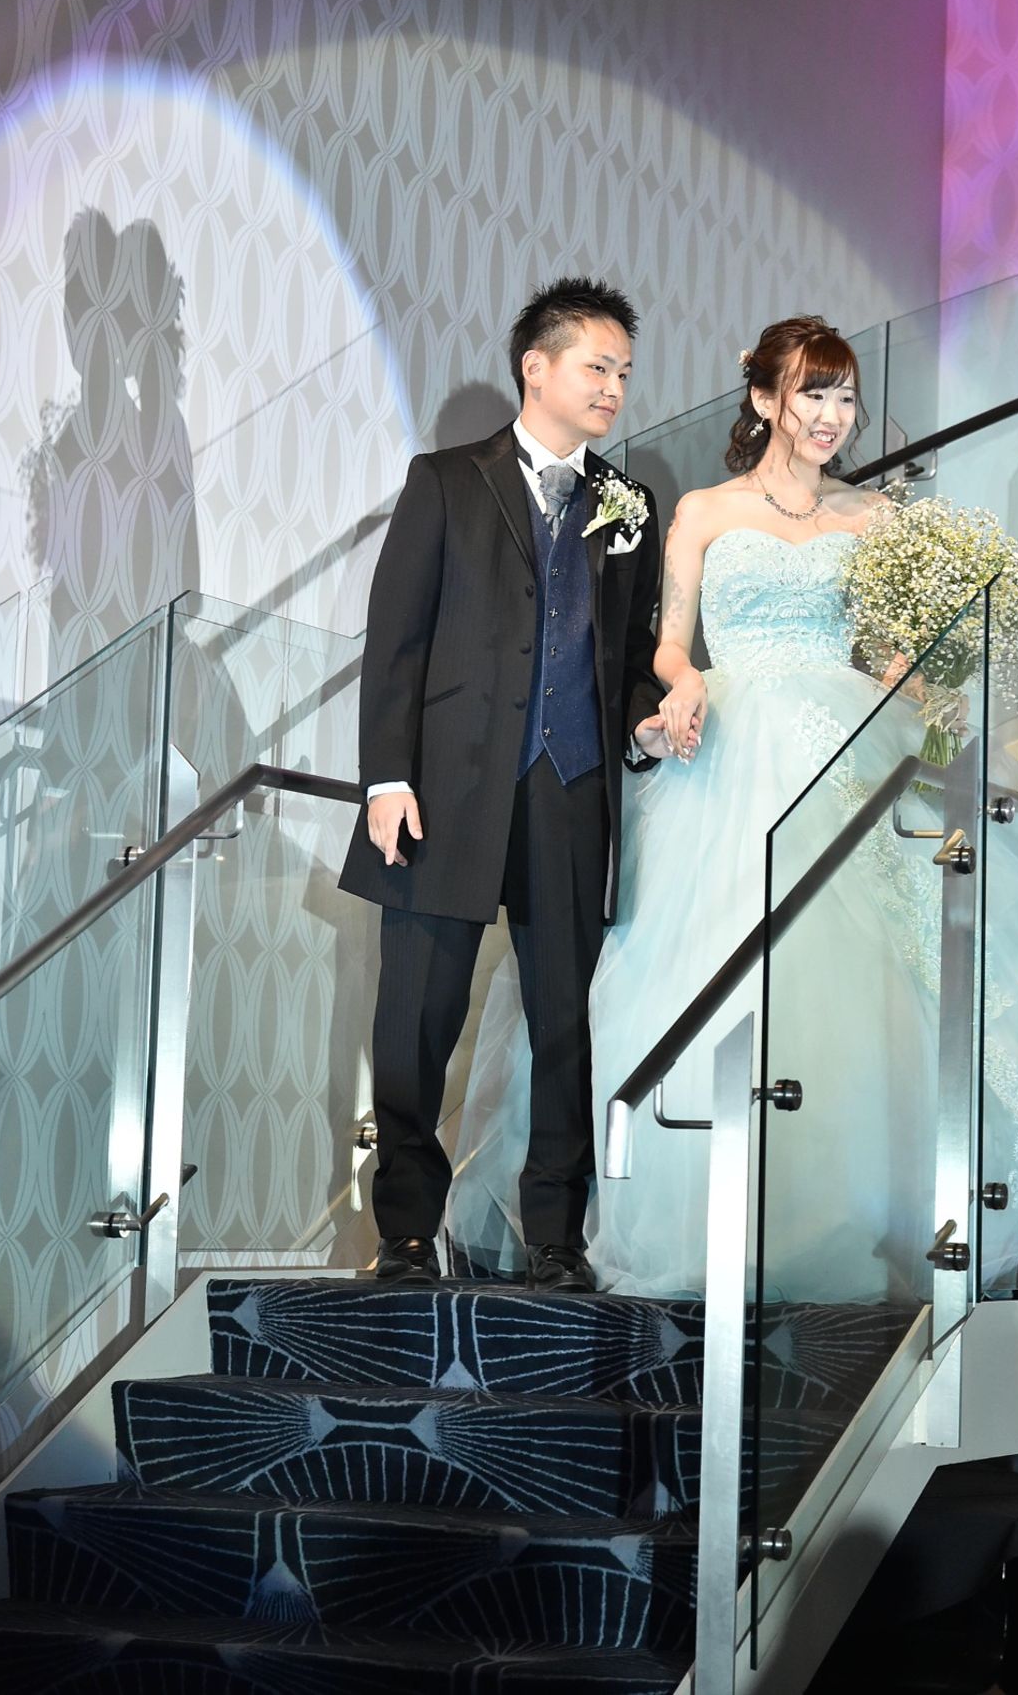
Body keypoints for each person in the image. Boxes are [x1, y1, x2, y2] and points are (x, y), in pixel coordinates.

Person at [448, 315, 1018, 1301]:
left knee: (874, 976)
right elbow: (666, 640)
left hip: (844, 738)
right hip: (730, 747)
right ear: (764, 400)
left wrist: (927, 679)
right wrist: (682, 683)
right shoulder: (701, 511)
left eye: (844, 397)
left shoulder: (876, 518)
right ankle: (701, 1218)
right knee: (702, 964)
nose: (832, 415)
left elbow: (886, 651)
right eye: (812, 393)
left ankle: (859, 1216)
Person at [339, 276, 671, 1293]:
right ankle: (405, 1232)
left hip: (571, 788)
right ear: (536, 366)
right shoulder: (446, 481)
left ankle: (556, 1238)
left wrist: (645, 722)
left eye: (623, 372)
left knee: (566, 1024)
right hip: (445, 790)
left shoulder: (629, 505)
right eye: (596, 367)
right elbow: (395, 641)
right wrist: (386, 777)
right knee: (417, 1016)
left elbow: (624, 661)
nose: (613, 388)